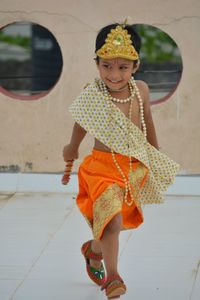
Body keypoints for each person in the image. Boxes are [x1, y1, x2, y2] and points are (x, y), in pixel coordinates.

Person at [63, 22, 179, 299]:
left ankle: (94, 250)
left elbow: (147, 121)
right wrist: (72, 147)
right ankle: (113, 277)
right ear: (97, 63)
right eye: (106, 66)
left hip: (131, 166)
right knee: (112, 221)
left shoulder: (142, 90)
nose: (113, 75)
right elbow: (82, 123)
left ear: (135, 66)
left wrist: (155, 152)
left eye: (122, 67)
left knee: (113, 224)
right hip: (101, 168)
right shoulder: (94, 93)